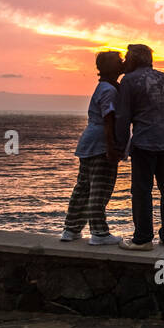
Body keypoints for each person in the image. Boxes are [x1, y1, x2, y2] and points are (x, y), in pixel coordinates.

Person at [113, 43, 164, 249]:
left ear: (132, 59)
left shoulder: (129, 81)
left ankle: (143, 238)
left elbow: (122, 116)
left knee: (141, 190)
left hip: (145, 142)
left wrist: (120, 146)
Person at [60, 50, 125, 244]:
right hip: (100, 144)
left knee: (83, 188)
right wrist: (111, 147)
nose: (122, 63)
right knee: (100, 188)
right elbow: (109, 119)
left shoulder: (104, 87)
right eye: (118, 61)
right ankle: (99, 232)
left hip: (90, 142)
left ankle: (71, 228)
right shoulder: (110, 90)